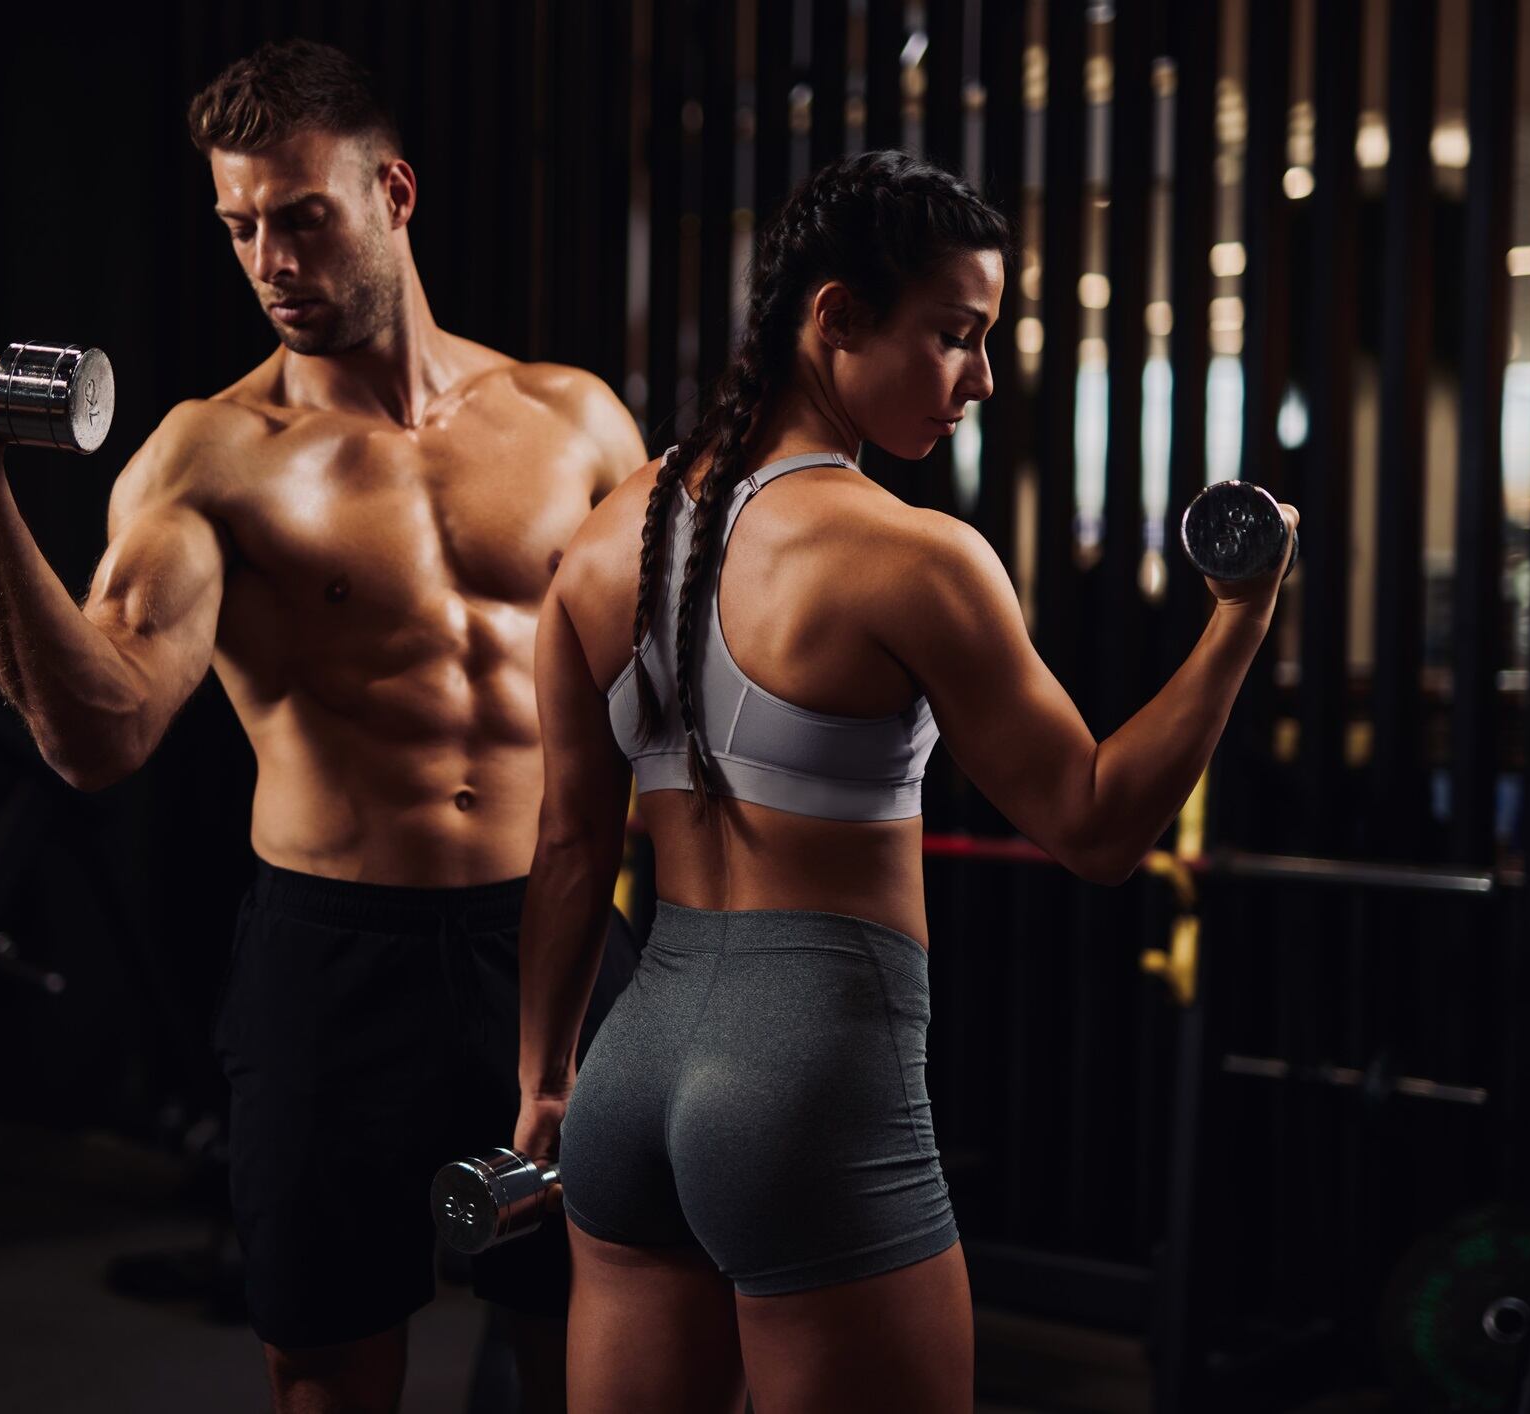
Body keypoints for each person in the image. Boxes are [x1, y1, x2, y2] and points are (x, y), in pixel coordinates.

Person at [0, 37, 645, 1414]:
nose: (271, 258)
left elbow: (668, 692)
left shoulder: (575, 419)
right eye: (240, 228)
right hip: (334, 962)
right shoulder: (207, 457)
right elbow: (96, 734)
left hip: (561, 939)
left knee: (601, 1348)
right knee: (328, 1371)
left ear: (394, 191)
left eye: (303, 216)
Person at [512, 150, 1297, 1414]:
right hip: (808, 1081)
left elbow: (563, 849)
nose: (979, 380)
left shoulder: (604, 538)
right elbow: (1095, 825)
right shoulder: (913, 557)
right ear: (832, 318)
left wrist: (543, 1077)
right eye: (954, 336)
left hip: (624, 1071)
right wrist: (1240, 620)